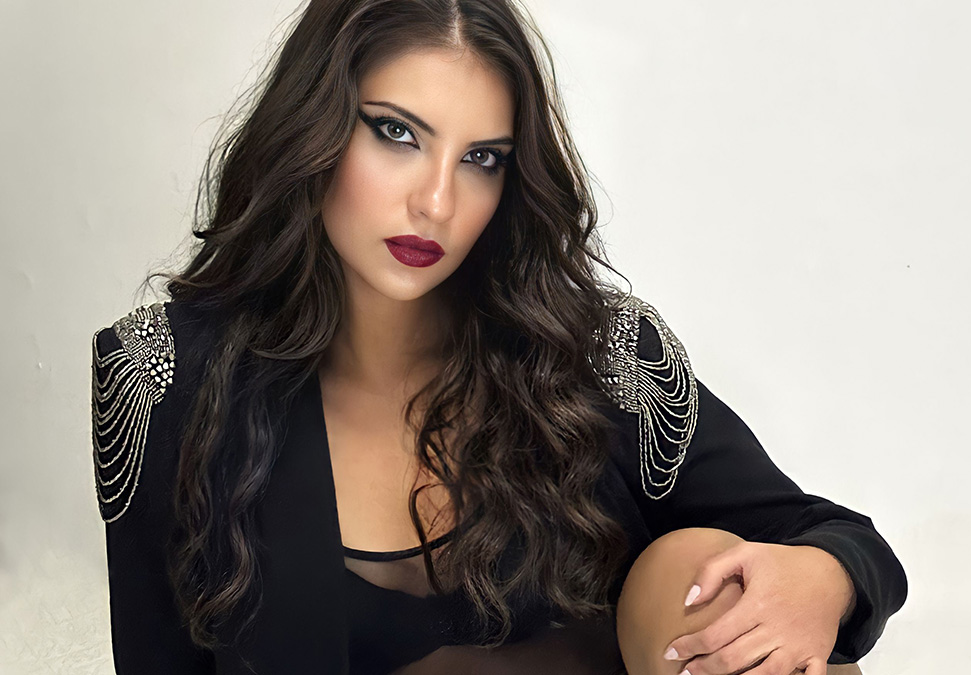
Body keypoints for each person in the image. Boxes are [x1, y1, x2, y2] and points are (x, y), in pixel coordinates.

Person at [89, 1, 908, 673]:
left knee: (709, 577)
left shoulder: (591, 355)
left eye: (482, 158)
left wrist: (824, 577)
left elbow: (835, 536)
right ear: (315, 125)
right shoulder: (165, 376)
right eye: (397, 134)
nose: (437, 203)